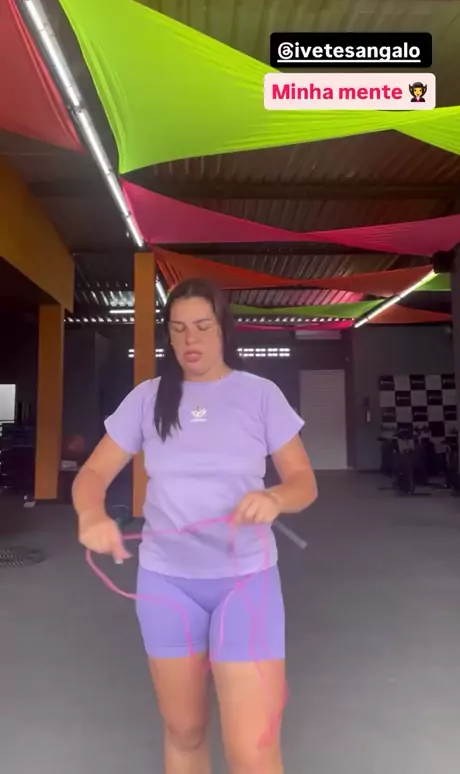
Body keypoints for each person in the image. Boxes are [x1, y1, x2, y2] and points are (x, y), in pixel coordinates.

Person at [73, 278, 317, 774]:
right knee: (184, 730)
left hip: (246, 581)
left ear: (223, 329)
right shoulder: (148, 399)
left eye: (203, 326)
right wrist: (91, 514)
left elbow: (304, 483)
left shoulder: (260, 396)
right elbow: (93, 473)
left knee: (252, 748)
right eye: (179, 328)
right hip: (167, 584)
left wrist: (274, 497)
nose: (191, 339)